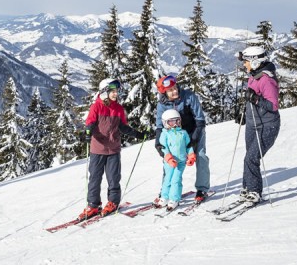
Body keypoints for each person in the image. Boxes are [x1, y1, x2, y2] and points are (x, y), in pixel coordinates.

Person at [79, 78, 144, 220]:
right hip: (98, 149)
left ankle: (113, 202)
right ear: (104, 92)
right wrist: (87, 132)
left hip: (113, 149)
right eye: (112, 91)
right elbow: (90, 123)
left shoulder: (118, 109)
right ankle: (93, 205)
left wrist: (139, 134)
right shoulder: (96, 107)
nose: (115, 94)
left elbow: (123, 127)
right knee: (95, 178)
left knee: (114, 178)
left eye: (116, 91)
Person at [154, 74, 210, 203]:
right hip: (175, 136)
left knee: (200, 156)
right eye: (170, 90)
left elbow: (200, 120)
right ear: (164, 92)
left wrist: (193, 139)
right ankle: (165, 190)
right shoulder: (162, 105)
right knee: (170, 160)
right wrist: (158, 143)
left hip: (194, 130)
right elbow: (159, 126)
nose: (175, 91)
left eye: (175, 88)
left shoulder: (188, 96)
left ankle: (202, 189)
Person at [238, 45, 280, 203]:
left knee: (251, 158)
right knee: (248, 157)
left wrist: (255, 99)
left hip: (267, 126)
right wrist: (244, 112)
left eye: (246, 61)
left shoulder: (267, 80)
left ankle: (255, 191)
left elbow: (273, 105)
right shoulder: (253, 76)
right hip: (252, 123)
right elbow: (251, 98)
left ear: (255, 61)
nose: (244, 64)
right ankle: (247, 187)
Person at [155, 109, 197, 211]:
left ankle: (174, 199)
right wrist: (169, 159)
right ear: (165, 123)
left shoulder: (183, 133)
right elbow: (164, 148)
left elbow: (188, 146)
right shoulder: (165, 134)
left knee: (176, 180)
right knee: (167, 179)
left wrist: (191, 156)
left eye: (176, 121)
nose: (174, 124)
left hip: (181, 162)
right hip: (169, 162)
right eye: (171, 122)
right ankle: (164, 197)